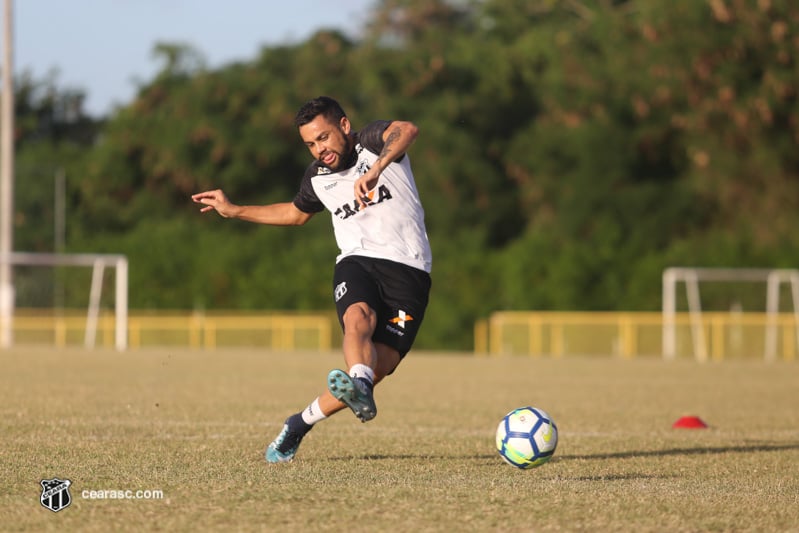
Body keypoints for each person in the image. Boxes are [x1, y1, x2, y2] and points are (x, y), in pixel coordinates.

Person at [191, 96, 433, 463]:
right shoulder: (317, 177)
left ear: (345, 126)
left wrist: (377, 169)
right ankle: (361, 383)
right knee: (358, 318)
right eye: (310, 144)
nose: (319, 150)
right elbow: (294, 213)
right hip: (358, 261)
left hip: (409, 271)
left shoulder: (372, 142)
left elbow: (408, 130)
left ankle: (299, 423)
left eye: (323, 138)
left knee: (379, 364)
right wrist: (235, 209)